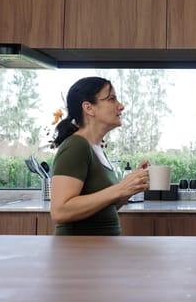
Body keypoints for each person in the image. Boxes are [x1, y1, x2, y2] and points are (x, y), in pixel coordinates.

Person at [50, 77, 150, 235]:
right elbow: (60, 211)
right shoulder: (76, 146)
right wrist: (119, 189)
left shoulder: (96, 148)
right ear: (89, 108)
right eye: (112, 99)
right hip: (79, 254)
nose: (121, 106)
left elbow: (105, 208)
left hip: (99, 253)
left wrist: (130, 188)